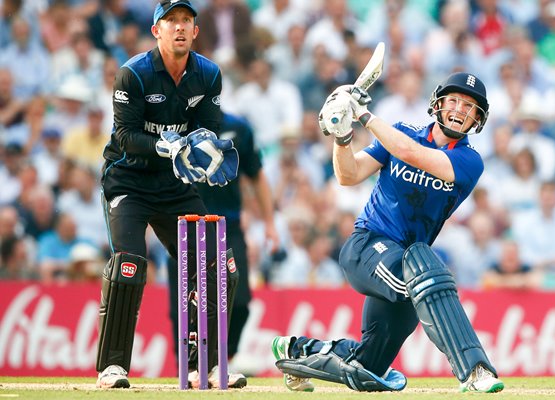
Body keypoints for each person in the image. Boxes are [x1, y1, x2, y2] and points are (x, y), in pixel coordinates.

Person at [271, 72, 504, 393]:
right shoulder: (399, 133)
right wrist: (342, 138)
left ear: (478, 118)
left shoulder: (469, 160)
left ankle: (297, 351)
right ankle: (474, 369)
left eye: (469, 106)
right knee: (426, 265)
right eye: (454, 100)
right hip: (367, 247)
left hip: (408, 262)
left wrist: (364, 115)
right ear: (437, 104)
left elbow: (413, 155)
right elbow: (348, 175)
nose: (460, 109)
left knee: (368, 369)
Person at [95, 0, 240, 389]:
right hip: (129, 180)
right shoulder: (133, 75)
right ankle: (113, 367)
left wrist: (205, 155)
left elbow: (207, 128)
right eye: (170, 20)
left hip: (175, 186)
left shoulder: (208, 74)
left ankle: (203, 367)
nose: (179, 27)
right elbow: (125, 136)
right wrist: (168, 146)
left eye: (186, 21)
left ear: (195, 31)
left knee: (218, 268)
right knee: (129, 263)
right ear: (156, 30)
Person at [167, 110, 279, 384]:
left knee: (239, 300)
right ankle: (189, 368)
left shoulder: (238, 128)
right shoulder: (173, 125)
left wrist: (269, 223)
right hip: (182, 225)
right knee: (182, 305)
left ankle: (221, 361)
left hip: (227, 226)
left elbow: (256, 174)